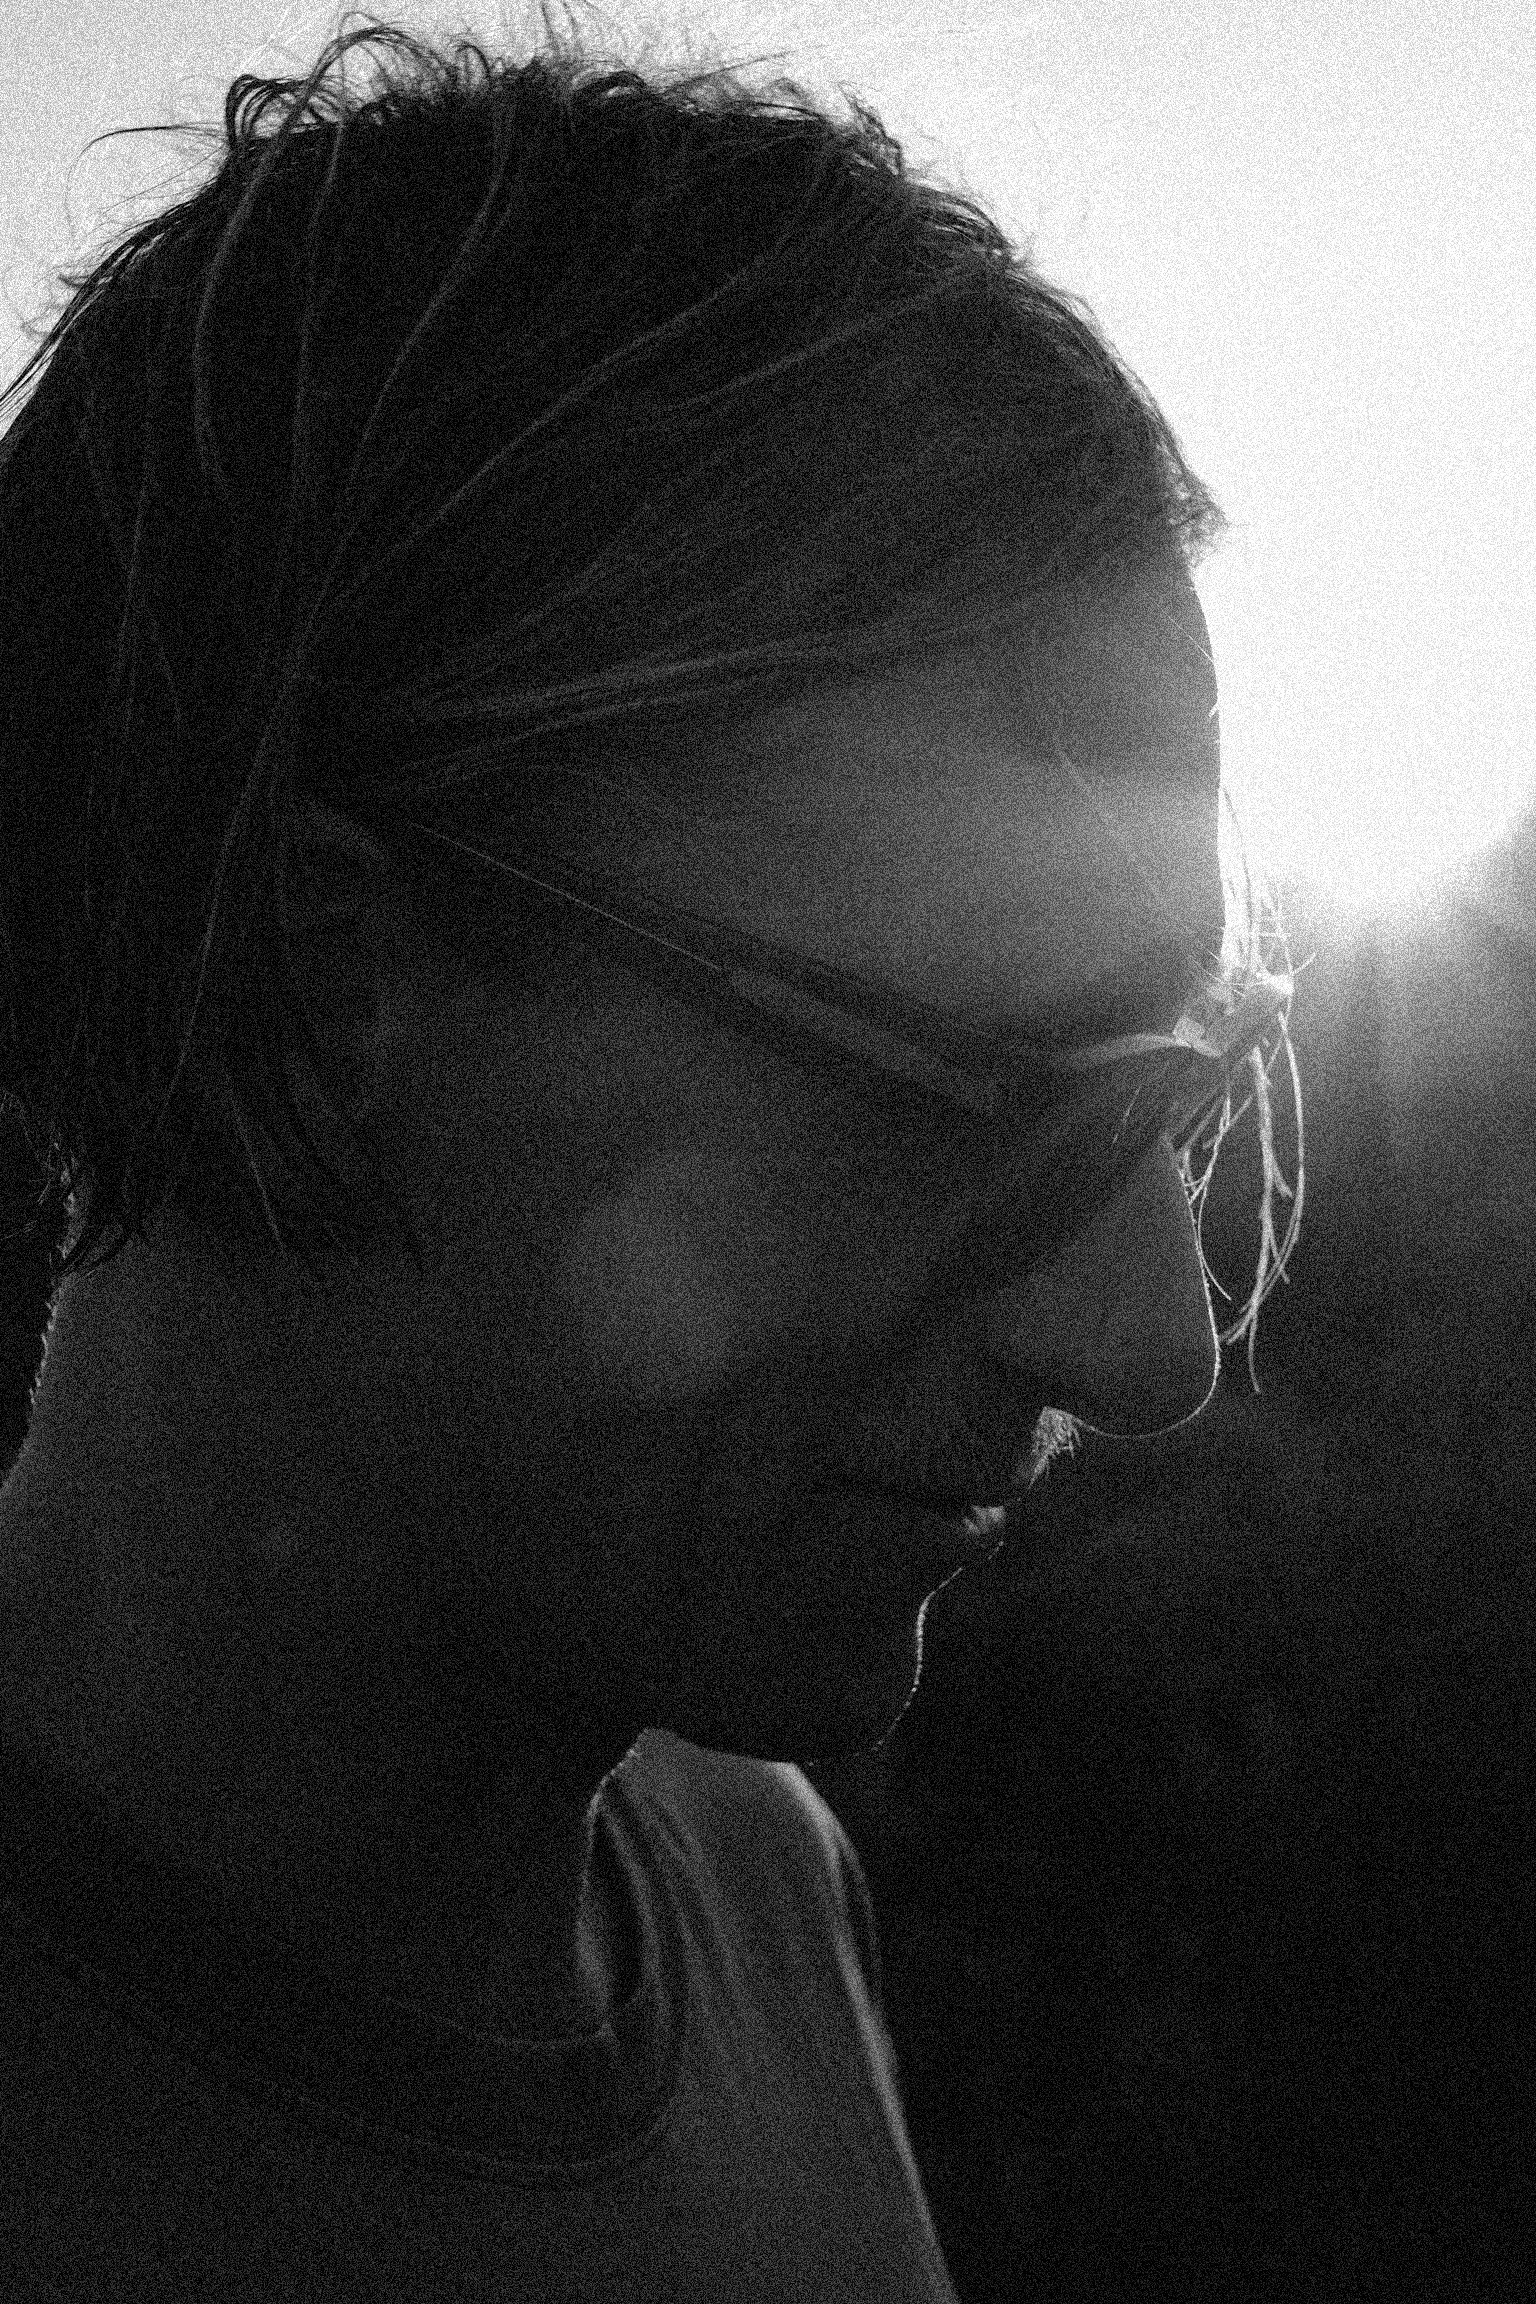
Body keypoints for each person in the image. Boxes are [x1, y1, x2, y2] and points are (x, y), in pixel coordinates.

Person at [0, 13, 1296, 2297]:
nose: (1150, 1347)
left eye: (1185, 1103)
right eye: (962, 1099)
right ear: (312, 989)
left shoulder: (754, 1877)